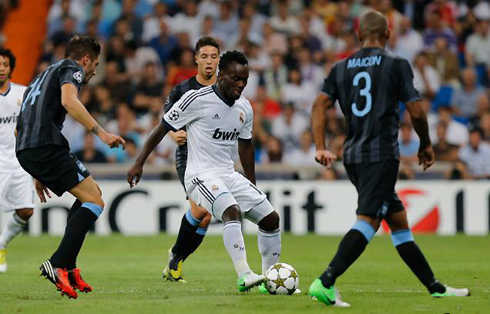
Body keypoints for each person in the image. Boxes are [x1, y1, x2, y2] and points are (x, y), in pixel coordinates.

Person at [308, 11, 469, 307]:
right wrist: (426, 144)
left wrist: (320, 145)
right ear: (388, 34)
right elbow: (417, 111)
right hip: (380, 154)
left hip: (353, 155)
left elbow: (319, 105)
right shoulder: (395, 65)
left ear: (359, 36)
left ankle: (434, 286)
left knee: (398, 222)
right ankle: (326, 281)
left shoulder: (340, 67)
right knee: (368, 220)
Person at [128, 51, 281, 293]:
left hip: (227, 174)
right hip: (200, 175)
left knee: (271, 218)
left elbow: (245, 146)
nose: (241, 85)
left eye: (245, 80)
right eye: (236, 79)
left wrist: (252, 184)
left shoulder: (245, 107)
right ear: (221, 75)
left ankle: (271, 280)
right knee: (231, 212)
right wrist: (139, 162)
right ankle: (244, 275)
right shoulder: (196, 99)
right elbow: (162, 127)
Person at [15, 35, 125, 299]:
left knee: (92, 195)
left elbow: (22, 123)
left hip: (28, 148)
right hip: (46, 146)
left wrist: (37, 172)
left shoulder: (40, 77)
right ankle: (58, 263)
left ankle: (70, 266)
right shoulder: (71, 68)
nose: (94, 71)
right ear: (85, 59)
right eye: (95, 64)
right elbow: (69, 101)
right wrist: (102, 133)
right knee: (96, 202)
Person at [159, 37, 219, 282]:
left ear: (218, 60)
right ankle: (175, 258)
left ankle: (177, 258)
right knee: (200, 209)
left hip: (216, 159)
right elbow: (166, 118)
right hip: (188, 156)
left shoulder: (224, 89)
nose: (208, 61)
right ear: (196, 59)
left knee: (206, 216)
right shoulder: (182, 89)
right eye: (204, 56)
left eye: (213, 56)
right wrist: (173, 134)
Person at [0, 48, 34, 273]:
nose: (1, 69)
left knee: (26, 211)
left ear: (11, 67)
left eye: (4, 64)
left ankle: (1, 245)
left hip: (19, 160)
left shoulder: (23, 93)